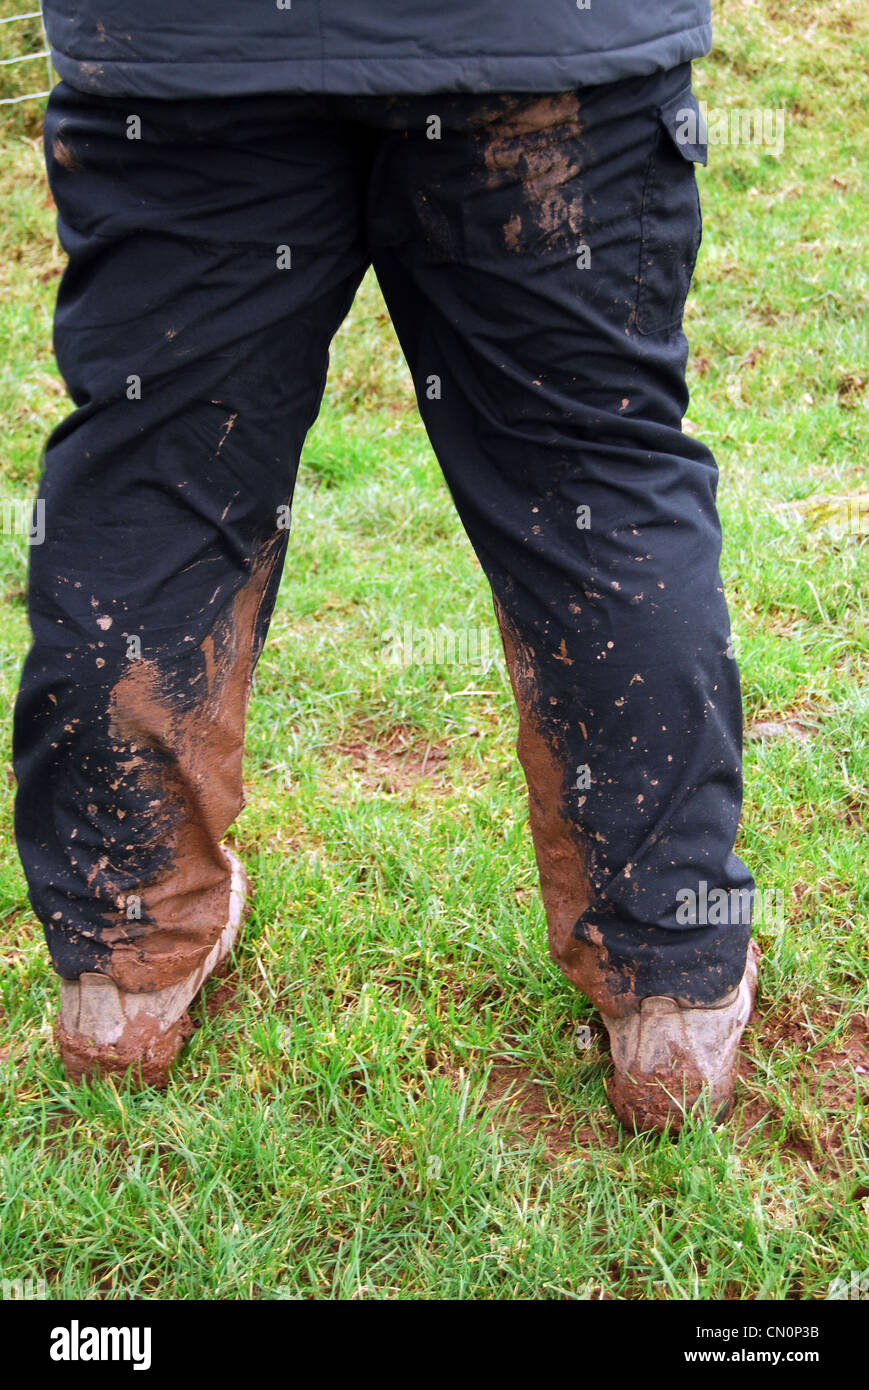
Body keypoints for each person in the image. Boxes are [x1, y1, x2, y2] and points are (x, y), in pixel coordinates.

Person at [13, 1, 759, 1131]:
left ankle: (125, 963)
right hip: (541, 44)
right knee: (592, 483)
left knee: (154, 480)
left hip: (184, 57)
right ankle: (667, 996)